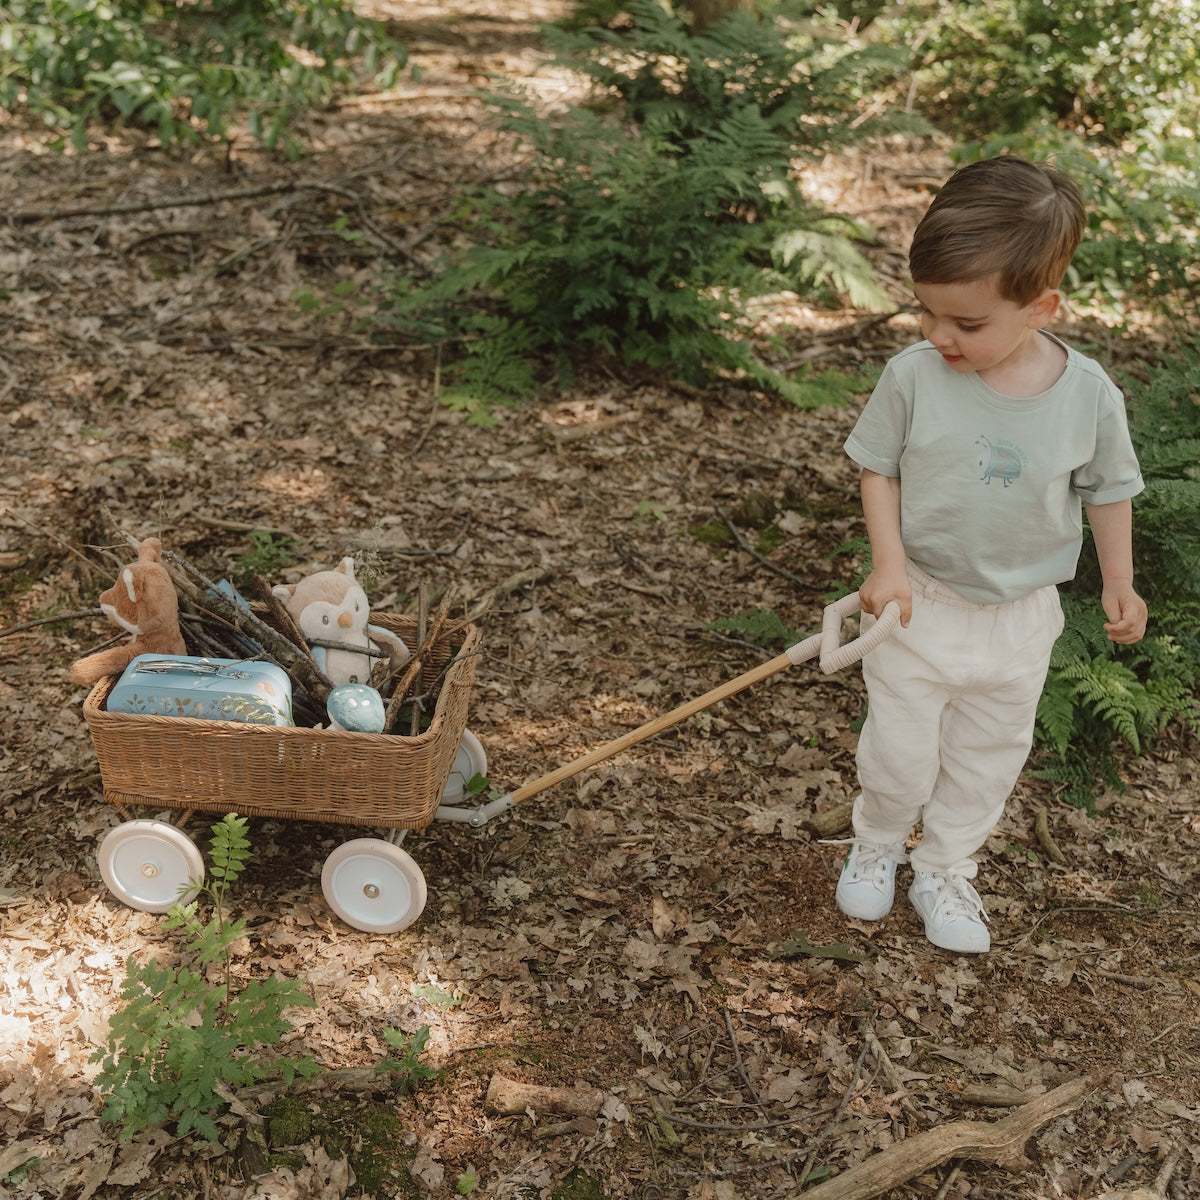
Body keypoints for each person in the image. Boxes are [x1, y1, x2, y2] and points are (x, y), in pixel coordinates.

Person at [833, 155, 1147, 954]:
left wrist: (1119, 580)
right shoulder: (913, 377)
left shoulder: (1089, 396)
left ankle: (945, 867)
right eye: (928, 314)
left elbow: (1109, 488)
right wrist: (889, 565)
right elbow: (880, 469)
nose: (942, 336)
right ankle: (876, 841)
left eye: (967, 324)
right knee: (898, 753)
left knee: (986, 762)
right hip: (920, 606)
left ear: (1041, 308)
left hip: (1020, 620)